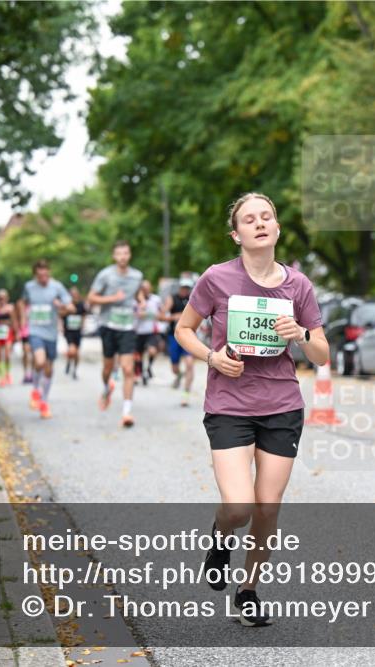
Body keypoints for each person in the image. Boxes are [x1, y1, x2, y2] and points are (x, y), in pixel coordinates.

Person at [174, 192, 329, 626]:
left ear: (276, 229)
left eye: (267, 217)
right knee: (239, 507)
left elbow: (322, 354)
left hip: (281, 406)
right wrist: (211, 357)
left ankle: (248, 591)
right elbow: (184, 329)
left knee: (266, 507)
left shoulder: (298, 286)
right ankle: (221, 538)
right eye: (249, 219)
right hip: (228, 404)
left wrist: (299, 332)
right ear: (236, 234)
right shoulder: (216, 279)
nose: (259, 223)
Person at [88, 240, 144, 427]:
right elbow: (91, 298)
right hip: (108, 325)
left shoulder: (137, 276)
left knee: (128, 369)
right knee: (107, 368)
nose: (122, 257)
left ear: (129, 255)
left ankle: (127, 412)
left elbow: (137, 294)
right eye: (119, 253)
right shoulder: (105, 275)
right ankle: (106, 387)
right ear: (114, 256)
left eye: (126, 253)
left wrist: (141, 301)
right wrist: (113, 298)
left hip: (128, 326)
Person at [19, 260, 74, 419]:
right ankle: (36, 390)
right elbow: (22, 303)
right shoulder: (29, 287)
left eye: (45, 274)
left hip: (51, 333)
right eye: (39, 275)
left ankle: (44, 402)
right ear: (35, 275)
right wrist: (23, 319)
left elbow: (70, 307)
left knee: (49, 368)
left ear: (49, 272)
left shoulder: (57, 287)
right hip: (35, 330)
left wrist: (61, 306)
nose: (43, 278)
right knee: (39, 361)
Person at [164, 277, 197, 406]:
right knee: (175, 367)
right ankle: (178, 375)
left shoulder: (193, 300)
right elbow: (161, 316)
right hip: (174, 336)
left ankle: (186, 394)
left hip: (189, 336)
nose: (185, 290)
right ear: (179, 287)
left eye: (187, 288)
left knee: (189, 364)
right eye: (183, 288)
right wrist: (174, 317)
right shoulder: (172, 299)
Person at [134, 279, 162, 386]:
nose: (145, 290)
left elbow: (161, 312)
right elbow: (136, 314)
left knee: (152, 351)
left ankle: (149, 367)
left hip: (151, 331)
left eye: (147, 288)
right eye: (143, 288)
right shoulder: (135, 301)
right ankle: (140, 373)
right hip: (137, 331)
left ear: (150, 288)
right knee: (138, 355)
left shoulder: (156, 299)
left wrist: (160, 315)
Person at [63, 286, 87, 380]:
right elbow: (60, 314)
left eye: (75, 294)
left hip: (78, 331)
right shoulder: (67, 304)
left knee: (76, 352)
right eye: (72, 294)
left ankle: (74, 370)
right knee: (72, 350)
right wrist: (67, 310)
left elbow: (84, 315)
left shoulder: (81, 305)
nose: (74, 296)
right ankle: (69, 361)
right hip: (69, 331)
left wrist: (83, 325)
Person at [17, 301, 34, 384]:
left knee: (34, 354)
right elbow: (19, 319)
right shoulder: (21, 304)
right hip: (25, 332)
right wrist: (19, 332)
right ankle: (26, 374)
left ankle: (33, 374)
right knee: (26, 353)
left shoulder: (38, 303)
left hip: (36, 332)